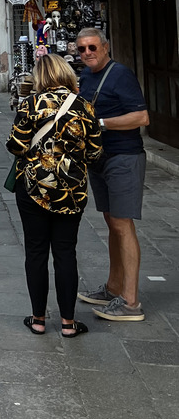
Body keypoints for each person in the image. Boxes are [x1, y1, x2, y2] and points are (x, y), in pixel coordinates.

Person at [6, 53, 102, 337]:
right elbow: (95, 153)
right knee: (65, 252)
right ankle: (68, 324)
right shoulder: (84, 106)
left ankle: (37, 319)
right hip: (71, 191)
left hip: (33, 189)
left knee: (35, 251)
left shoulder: (31, 104)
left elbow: (15, 145)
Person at [75, 27, 149, 323]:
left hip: (124, 157)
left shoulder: (121, 74)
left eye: (92, 47)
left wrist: (100, 123)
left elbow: (141, 117)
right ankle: (113, 287)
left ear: (105, 46)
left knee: (122, 223)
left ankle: (131, 302)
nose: (88, 53)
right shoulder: (85, 77)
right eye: (82, 49)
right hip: (99, 158)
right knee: (111, 221)